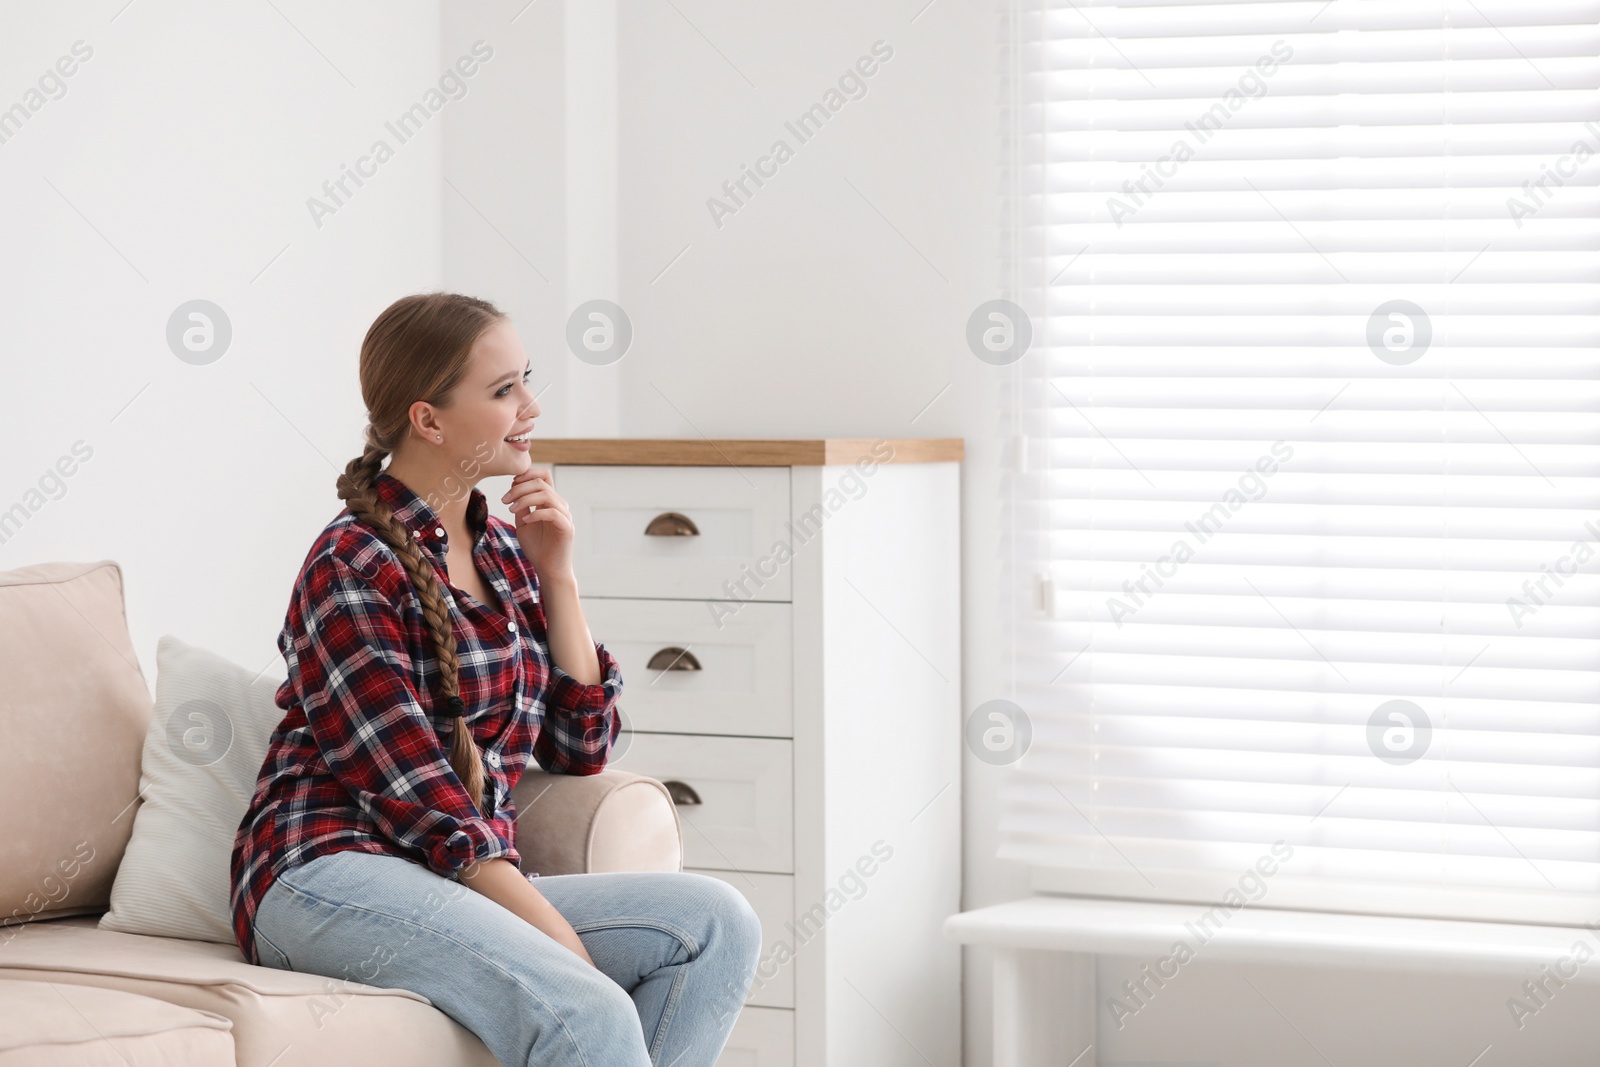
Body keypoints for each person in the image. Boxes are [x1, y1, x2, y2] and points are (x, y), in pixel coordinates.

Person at [228, 291, 761, 1066]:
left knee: (716, 924)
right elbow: (417, 791)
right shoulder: (349, 564)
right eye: (504, 389)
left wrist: (559, 578)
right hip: (324, 872)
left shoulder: (506, 551)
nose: (532, 406)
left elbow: (581, 747)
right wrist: (553, 937)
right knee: (583, 1004)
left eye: (526, 380)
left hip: (450, 873)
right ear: (429, 420)